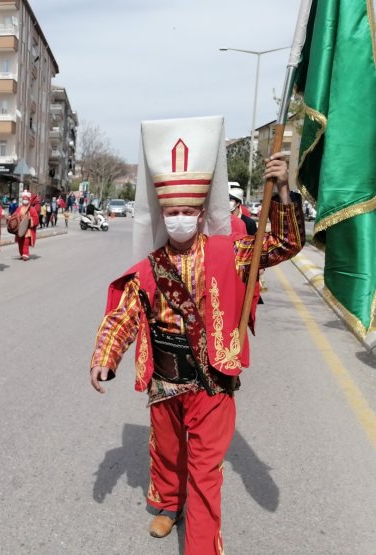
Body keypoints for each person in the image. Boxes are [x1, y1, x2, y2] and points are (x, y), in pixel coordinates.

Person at [88, 116, 304, 554]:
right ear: (163, 215)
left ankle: (202, 547)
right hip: (165, 379)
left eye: (188, 212)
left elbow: (283, 243)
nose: (181, 219)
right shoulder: (150, 265)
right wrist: (104, 357)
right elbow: (125, 314)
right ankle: (168, 504)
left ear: (202, 213)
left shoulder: (232, 252)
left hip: (212, 380)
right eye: (173, 213)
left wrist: (283, 190)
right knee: (167, 453)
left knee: (205, 471)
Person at [14, 190, 39, 261]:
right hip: (20, 229)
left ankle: (25, 254)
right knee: (20, 242)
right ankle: (22, 254)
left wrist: (29, 220)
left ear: (29, 200)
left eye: (26, 199)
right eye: (24, 199)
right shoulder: (19, 208)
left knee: (26, 241)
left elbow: (36, 219)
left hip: (27, 229)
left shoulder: (32, 209)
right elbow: (14, 215)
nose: (25, 200)